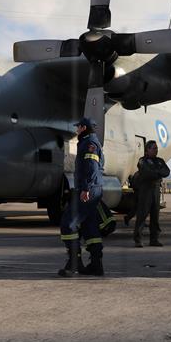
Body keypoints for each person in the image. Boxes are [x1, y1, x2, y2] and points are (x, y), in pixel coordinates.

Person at [58, 117, 105, 277]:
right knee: (89, 226)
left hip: (88, 189)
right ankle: (96, 264)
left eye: (78, 127)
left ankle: (74, 263)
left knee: (68, 223)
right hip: (93, 188)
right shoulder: (90, 142)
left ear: (84, 128)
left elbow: (91, 167)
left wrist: (85, 188)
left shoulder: (88, 143)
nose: (76, 129)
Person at [133, 140, 170, 247]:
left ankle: (154, 239)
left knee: (155, 216)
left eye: (156, 148)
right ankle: (138, 239)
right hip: (146, 190)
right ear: (147, 150)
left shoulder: (160, 161)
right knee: (142, 215)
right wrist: (158, 173)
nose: (156, 150)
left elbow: (166, 171)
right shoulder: (142, 161)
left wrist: (156, 173)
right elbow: (146, 172)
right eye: (153, 148)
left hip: (156, 191)